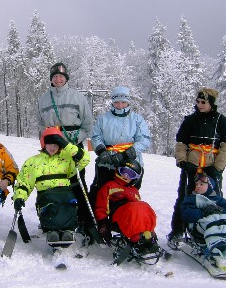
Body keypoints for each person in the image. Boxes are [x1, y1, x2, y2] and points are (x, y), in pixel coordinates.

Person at [168, 87, 226, 245]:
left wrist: (217, 167)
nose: (199, 105)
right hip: (192, 166)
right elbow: (181, 143)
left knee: (214, 199)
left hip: (211, 167)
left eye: (203, 102)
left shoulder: (221, 121)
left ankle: (215, 229)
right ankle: (178, 231)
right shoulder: (190, 120)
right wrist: (183, 161)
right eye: (197, 102)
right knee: (185, 198)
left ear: (211, 103)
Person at [37, 62, 94, 235]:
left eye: (61, 76)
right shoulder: (44, 98)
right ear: (51, 80)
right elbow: (40, 123)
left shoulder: (77, 97)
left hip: (72, 144)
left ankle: (84, 219)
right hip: (52, 146)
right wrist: (46, 141)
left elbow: (88, 124)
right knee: (52, 180)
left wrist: (78, 137)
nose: (58, 79)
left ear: (66, 78)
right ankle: (54, 215)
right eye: (55, 77)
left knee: (77, 182)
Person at [89, 86, 151, 242]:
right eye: (117, 102)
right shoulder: (103, 118)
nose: (120, 105)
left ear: (128, 102)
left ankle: (128, 222)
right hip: (108, 161)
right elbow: (96, 136)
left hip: (130, 162)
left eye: (123, 102)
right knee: (103, 193)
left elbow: (144, 140)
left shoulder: (137, 119)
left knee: (128, 194)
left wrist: (128, 154)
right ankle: (101, 223)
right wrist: (102, 151)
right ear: (113, 102)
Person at [13, 127, 90, 247]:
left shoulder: (67, 158)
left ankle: (67, 230)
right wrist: (19, 197)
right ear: (44, 144)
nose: (53, 147)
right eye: (49, 144)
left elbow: (85, 159)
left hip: (65, 193)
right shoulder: (33, 162)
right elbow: (24, 182)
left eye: (56, 144)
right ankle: (52, 230)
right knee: (50, 201)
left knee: (69, 201)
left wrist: (67, 145)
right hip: (46, 195)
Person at [94, 159, 160, 257]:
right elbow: (101, 206)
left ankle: (149, 235)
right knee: (136, 208)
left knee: (144, 207)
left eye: (131, 175)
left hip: (133, 214)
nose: (126, 176)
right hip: (118, 214)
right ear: (118, 171)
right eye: (124, 172)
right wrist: (103, 224)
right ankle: (137, 241)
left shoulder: (134, 190)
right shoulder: (110, 186)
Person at [180, 173, 226, 259]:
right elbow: (186, 214)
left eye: (201, 184)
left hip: (219, 224)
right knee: (211, 221)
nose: (198, 186)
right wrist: (203, 212)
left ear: (209, 186)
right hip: (200, 228)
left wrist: (220, 210)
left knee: (225, 220)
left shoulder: (218, 199)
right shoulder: (192, 199)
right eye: (197, 184)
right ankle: (216, 243)